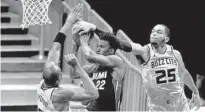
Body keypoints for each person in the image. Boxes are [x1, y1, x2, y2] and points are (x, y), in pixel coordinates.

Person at [76, 22, 201, 111]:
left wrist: (195, 91)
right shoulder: (145, 51)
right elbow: (119, 43)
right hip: (159, 106)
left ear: (166, 38)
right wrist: (94, 28)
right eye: (153, 31)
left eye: (159, 32)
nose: (154, 33)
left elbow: (183, 73)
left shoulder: (175, 53)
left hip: (179, 102)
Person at [37, 4, 99, 112]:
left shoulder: (42, 85)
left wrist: (68, 23)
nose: (53, 63)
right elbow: (94, 94)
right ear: (58, 80)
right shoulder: (60, 94)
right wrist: (77, 66)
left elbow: (55, 47)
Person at [71, 21, 124, 111]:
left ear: (111, 50)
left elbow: (89, 56)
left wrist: (83, 40)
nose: (98, 49)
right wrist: (75, 47)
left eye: (102, 47)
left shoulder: (116, 61)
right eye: (97, 46)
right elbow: (73, 74)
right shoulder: (93, 68)